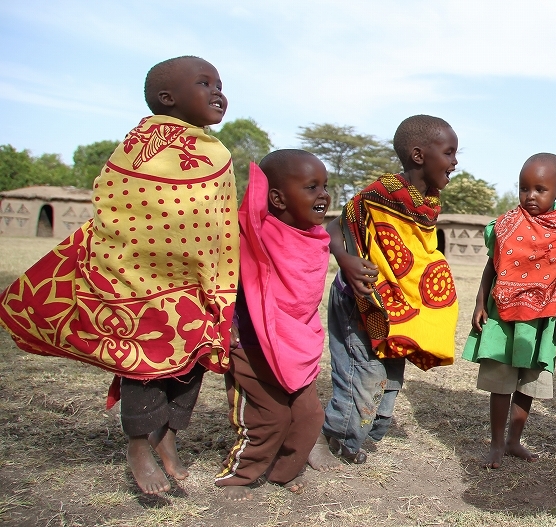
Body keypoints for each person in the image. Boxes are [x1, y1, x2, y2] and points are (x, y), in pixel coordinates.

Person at [0, 56, 239, 494]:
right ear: (168, 98)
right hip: (138, 279)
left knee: (191, 363)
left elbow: (218, 222)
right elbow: (116, 201)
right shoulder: (140, 145)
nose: (218, 91)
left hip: (194, 280)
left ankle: (166, 435)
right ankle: (137, 446)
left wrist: (218, 281)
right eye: (204, 83)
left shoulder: (216, 152)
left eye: (220, 83)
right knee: (144, 364)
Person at [321, 114, 459, 464]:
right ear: (418, 155)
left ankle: (367, 429)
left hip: (392, 304)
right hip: (361, 298)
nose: (455, 162)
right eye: (449, 153)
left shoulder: (426, 202)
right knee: (363, 370)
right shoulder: (381, 193)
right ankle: (335, 438)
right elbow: (336, 228)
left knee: (389, 368)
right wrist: (346, 262)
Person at [214, 150, 335, 499]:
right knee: (270, 417)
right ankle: (240, 475)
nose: (323, 195)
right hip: (252, 344)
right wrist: (227, 325)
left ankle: (283, 472)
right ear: (278, 198)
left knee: (310, 416)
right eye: (311, 187)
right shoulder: (253, 233)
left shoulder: (315, 237)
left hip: (295, 343)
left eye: (325, 186)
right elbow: (227, 279)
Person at [462, 153, 556, 469]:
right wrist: (479, 301)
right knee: (501, 380)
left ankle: (514, 440)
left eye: (540, 189)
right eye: (524, 189)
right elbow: (491, 265)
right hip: (502, 315)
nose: (531, 196)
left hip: (541, 319)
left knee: (528, 382)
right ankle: (497, 443)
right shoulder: (506, 224)